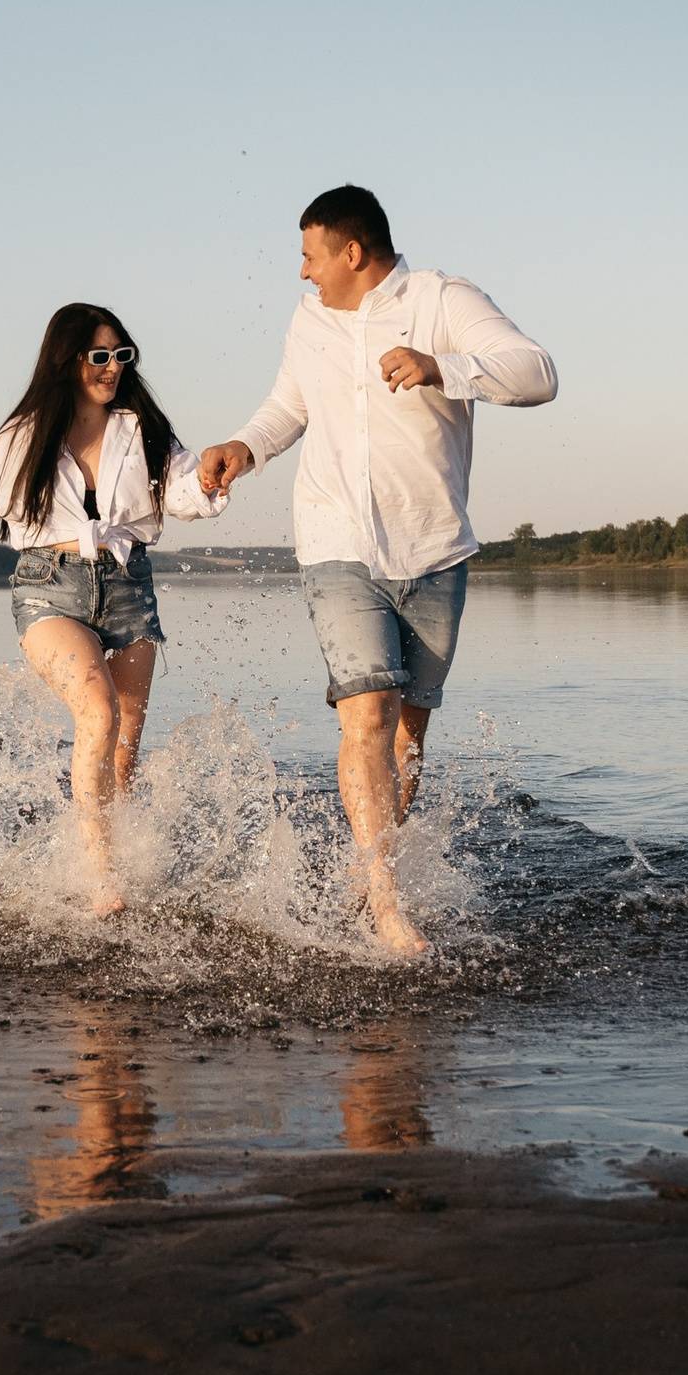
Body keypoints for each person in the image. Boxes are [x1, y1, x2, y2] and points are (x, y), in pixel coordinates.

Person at [196, 186, 556, 956]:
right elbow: (288, 406)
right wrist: (244, 448)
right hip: (335, 541)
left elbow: (536, 373)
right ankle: (387, 903)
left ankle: (371, 878)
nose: (303, 272)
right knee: (368, 710)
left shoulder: (441, 300)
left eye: (309, 254)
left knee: (408, 734)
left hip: (433, 547)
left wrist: (442, 366)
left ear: (351, 253)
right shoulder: (309, 322)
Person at [0, 303, 226, 915]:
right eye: (99, 357)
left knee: (125, 751)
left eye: (121, 356)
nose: (112, 369)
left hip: (130, 587)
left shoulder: (144, 430)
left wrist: (212, 478)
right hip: (48, 587)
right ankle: (100, 878)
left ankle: (125, 865)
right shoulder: (23, 438)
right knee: (98, 714)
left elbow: (184, 490)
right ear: (68, 361)